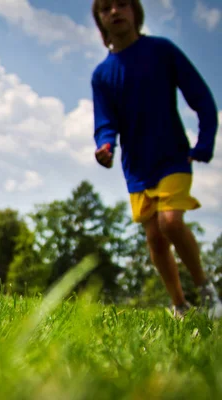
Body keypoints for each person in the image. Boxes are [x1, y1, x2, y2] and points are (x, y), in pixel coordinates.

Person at [90, 0, 222, 319]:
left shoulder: (161, 51)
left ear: (136, 12)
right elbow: (105, 121)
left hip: (173, 156)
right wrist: (105, 145)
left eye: (122, 4)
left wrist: (204, 142)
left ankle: (207, 292)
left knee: (171, 222)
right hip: (137, 167)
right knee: (154, 238)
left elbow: (202, 98)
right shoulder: (102, 75)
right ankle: (179, 305)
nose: (115, 12)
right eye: (106, 8)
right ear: (100, 21)